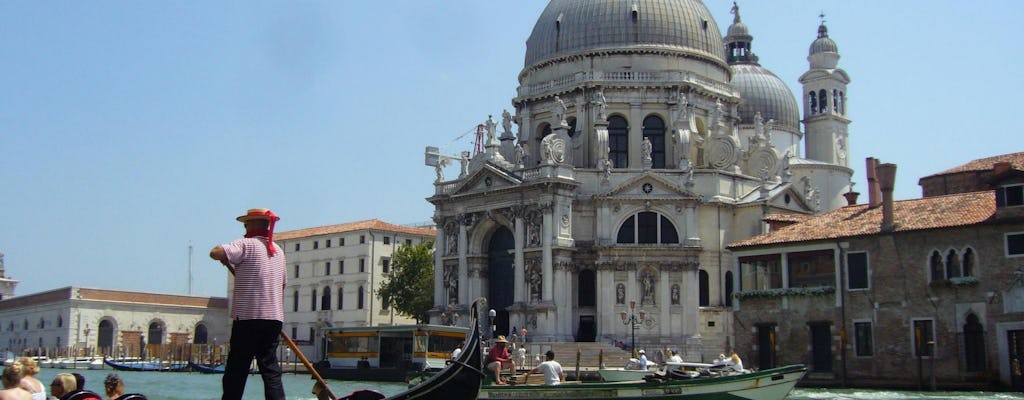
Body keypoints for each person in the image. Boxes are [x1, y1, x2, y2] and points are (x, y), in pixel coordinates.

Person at [210, 208, 287, 400]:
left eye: (246, 223)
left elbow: (215, 253)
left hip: (248, 318)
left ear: (253, 224)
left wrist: (224, 251)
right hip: (273, 319)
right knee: (270, 370)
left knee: (237, 369)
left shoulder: (246, 244)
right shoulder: (279, 252)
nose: (244, 227)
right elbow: (282, 284)